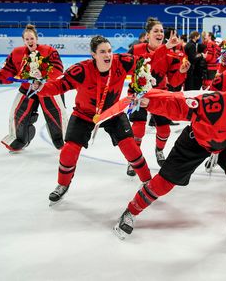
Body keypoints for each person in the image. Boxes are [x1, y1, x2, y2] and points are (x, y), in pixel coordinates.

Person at [113, 64, 226, 245]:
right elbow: (179, 105)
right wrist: (150, 102)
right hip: (196, 142)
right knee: (163, 184)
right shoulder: (216, 103)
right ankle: (130, 212)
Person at [32, 35, 153, 205]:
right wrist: (40, 87)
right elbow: (59, 86)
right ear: (93, 54)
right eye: (102, 52)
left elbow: (144, 66)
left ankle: (148, 181)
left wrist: (137, 88)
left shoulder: (123, 61)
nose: (108, 55)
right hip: (84, 115)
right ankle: (62, 185)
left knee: (131, 147)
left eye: (110, 51)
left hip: (112, 112)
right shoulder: (80, 70)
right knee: (68, 151)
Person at [0, 24, 67, 152]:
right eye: (27, 39)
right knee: (17, 113)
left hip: (48, 88)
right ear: (23, 40)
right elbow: (9, 69)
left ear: (36, 39)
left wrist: (44, 79)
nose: (30, 41)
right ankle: (18, 140)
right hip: (27, 89)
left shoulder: (49, 51)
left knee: (56, 114)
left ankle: (63, 140)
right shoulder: (17, 53)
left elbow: (58, 68)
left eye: (32, 38)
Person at [128, 17, 190, 171]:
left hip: (160, 94)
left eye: (162, 31)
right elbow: (146, 65)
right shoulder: (136, 50)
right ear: (147, 35)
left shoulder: (171, 54)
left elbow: (174, 83)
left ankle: (159, 150)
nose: (160, 33)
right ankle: (134, 159)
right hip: (139, 92)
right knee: (138, 128)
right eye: (155, 31)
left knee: (164, 130)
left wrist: (181, 72)